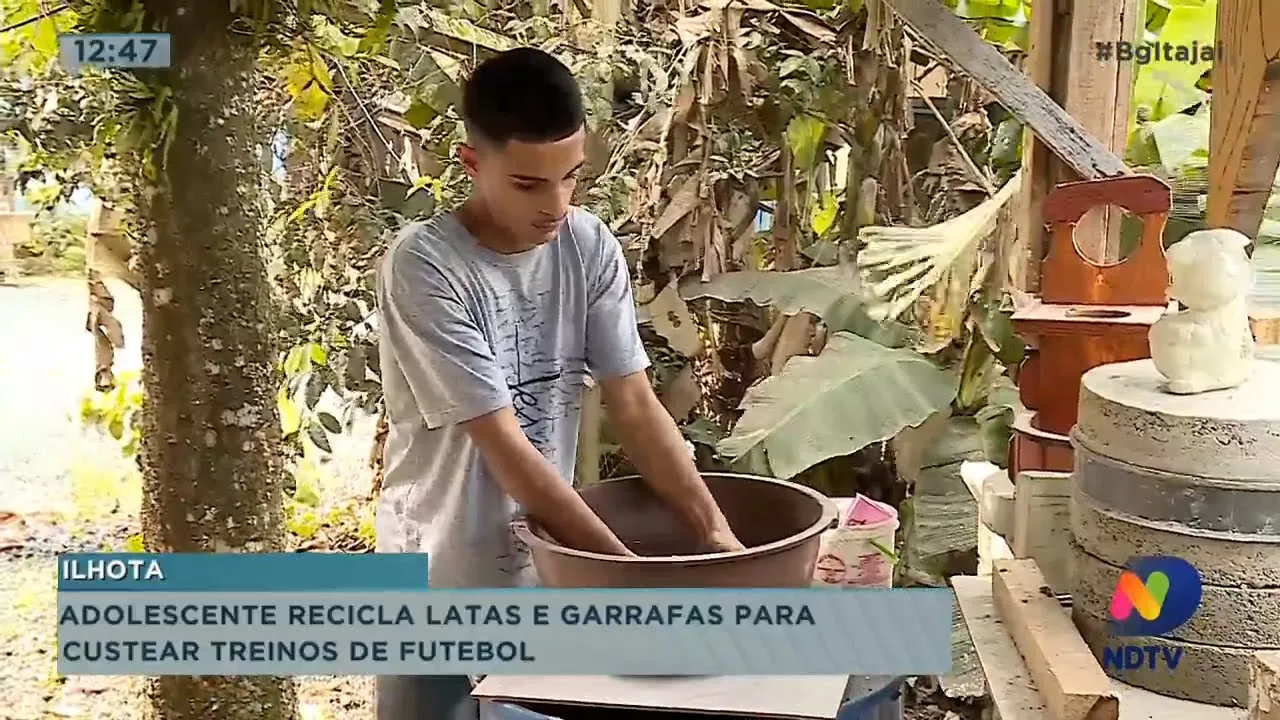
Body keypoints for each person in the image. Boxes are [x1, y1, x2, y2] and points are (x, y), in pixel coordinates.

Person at [373, 46, 745, 719]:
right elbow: (504, 447)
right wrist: (628, 578)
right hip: (434, 575)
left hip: (543, 568)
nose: (556, 205)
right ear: (472, 163)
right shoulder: (424, 266)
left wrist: (715, 534)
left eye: (570, 177)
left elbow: (634, 402)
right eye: (528, 185)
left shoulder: (588, 245)